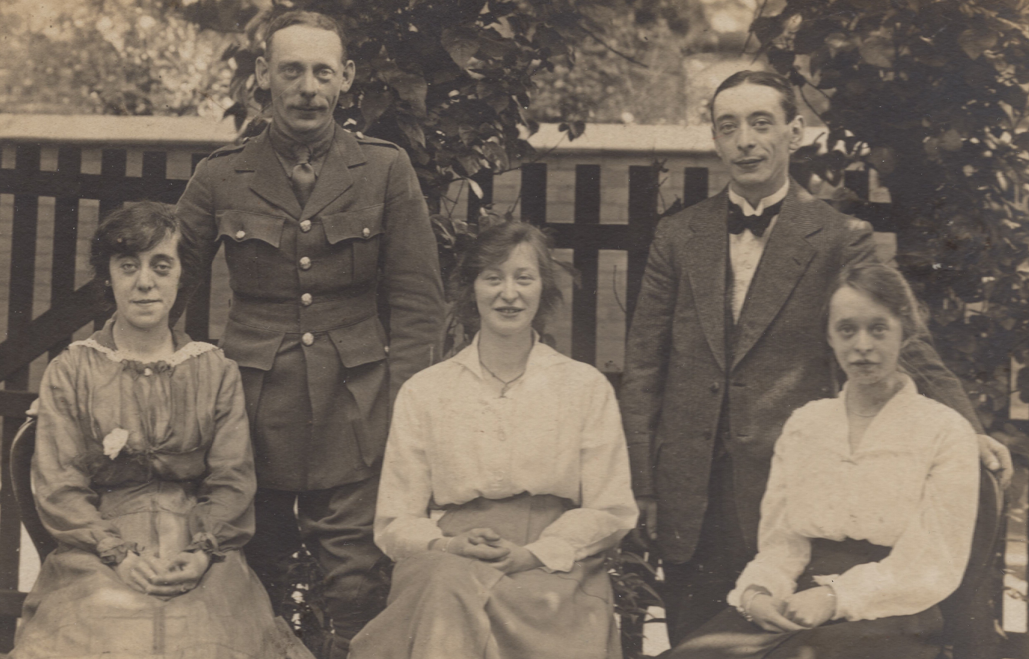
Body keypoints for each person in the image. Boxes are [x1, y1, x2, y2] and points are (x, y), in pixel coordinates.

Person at [619, 69, 1012, 644]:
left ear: (795, 132)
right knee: (696, 642)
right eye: (728, 127)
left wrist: (967, 427)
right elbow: (644, 365)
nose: (745, 141)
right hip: (689, 491)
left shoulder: (836, 235)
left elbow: (904, 334)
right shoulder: (679, 236)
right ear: (715, 138)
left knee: (784, 641)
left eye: (761, 124)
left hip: (783, 491)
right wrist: (643, 485)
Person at [174, 10, 445, 657]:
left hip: (357, 410)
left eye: (322, 72)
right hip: (248, 412)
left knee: (356, 584)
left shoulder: (383, 170)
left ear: (345, 78)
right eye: (290, 70)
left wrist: (401, 409)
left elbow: (415, 301)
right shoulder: (220, 174)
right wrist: (171, 388)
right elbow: (164, 285)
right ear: (262, 76)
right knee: (251, 576)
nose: (306, 87)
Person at [11, 202, 313, 659]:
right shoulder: (71, 370)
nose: (144, 282)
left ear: (180, 277)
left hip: (199, 548)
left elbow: (232, 481)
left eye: (160, 265)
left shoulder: (215, 371)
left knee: (207, 635)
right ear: (108, 277)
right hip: (97, 552)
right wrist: (116, 553)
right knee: (107, 629)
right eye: (128, 266)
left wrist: (201, 553)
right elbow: (59, 489)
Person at [347, 221, 638, 659]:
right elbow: (395, 522)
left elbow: (610, 507)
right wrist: (447, 545)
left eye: (524, 278)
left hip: (555, 565)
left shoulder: (583, 386)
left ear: (543, 289)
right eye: (493, 278)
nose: (509, 293)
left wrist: (536, 553)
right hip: (451, 556)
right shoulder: (427, 390)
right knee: (445, 588)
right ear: (472, 289)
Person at [664, 262, 980, 659]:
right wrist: (758, 593)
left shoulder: (943, 431)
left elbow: (933, 563)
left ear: (906, 333)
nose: (861, 344)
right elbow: (782, 546)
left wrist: (835, 596)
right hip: (799, 599)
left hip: (893, 609)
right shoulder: (806, 425)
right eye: (846, 329)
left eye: (878, 328)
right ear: (829, 337)